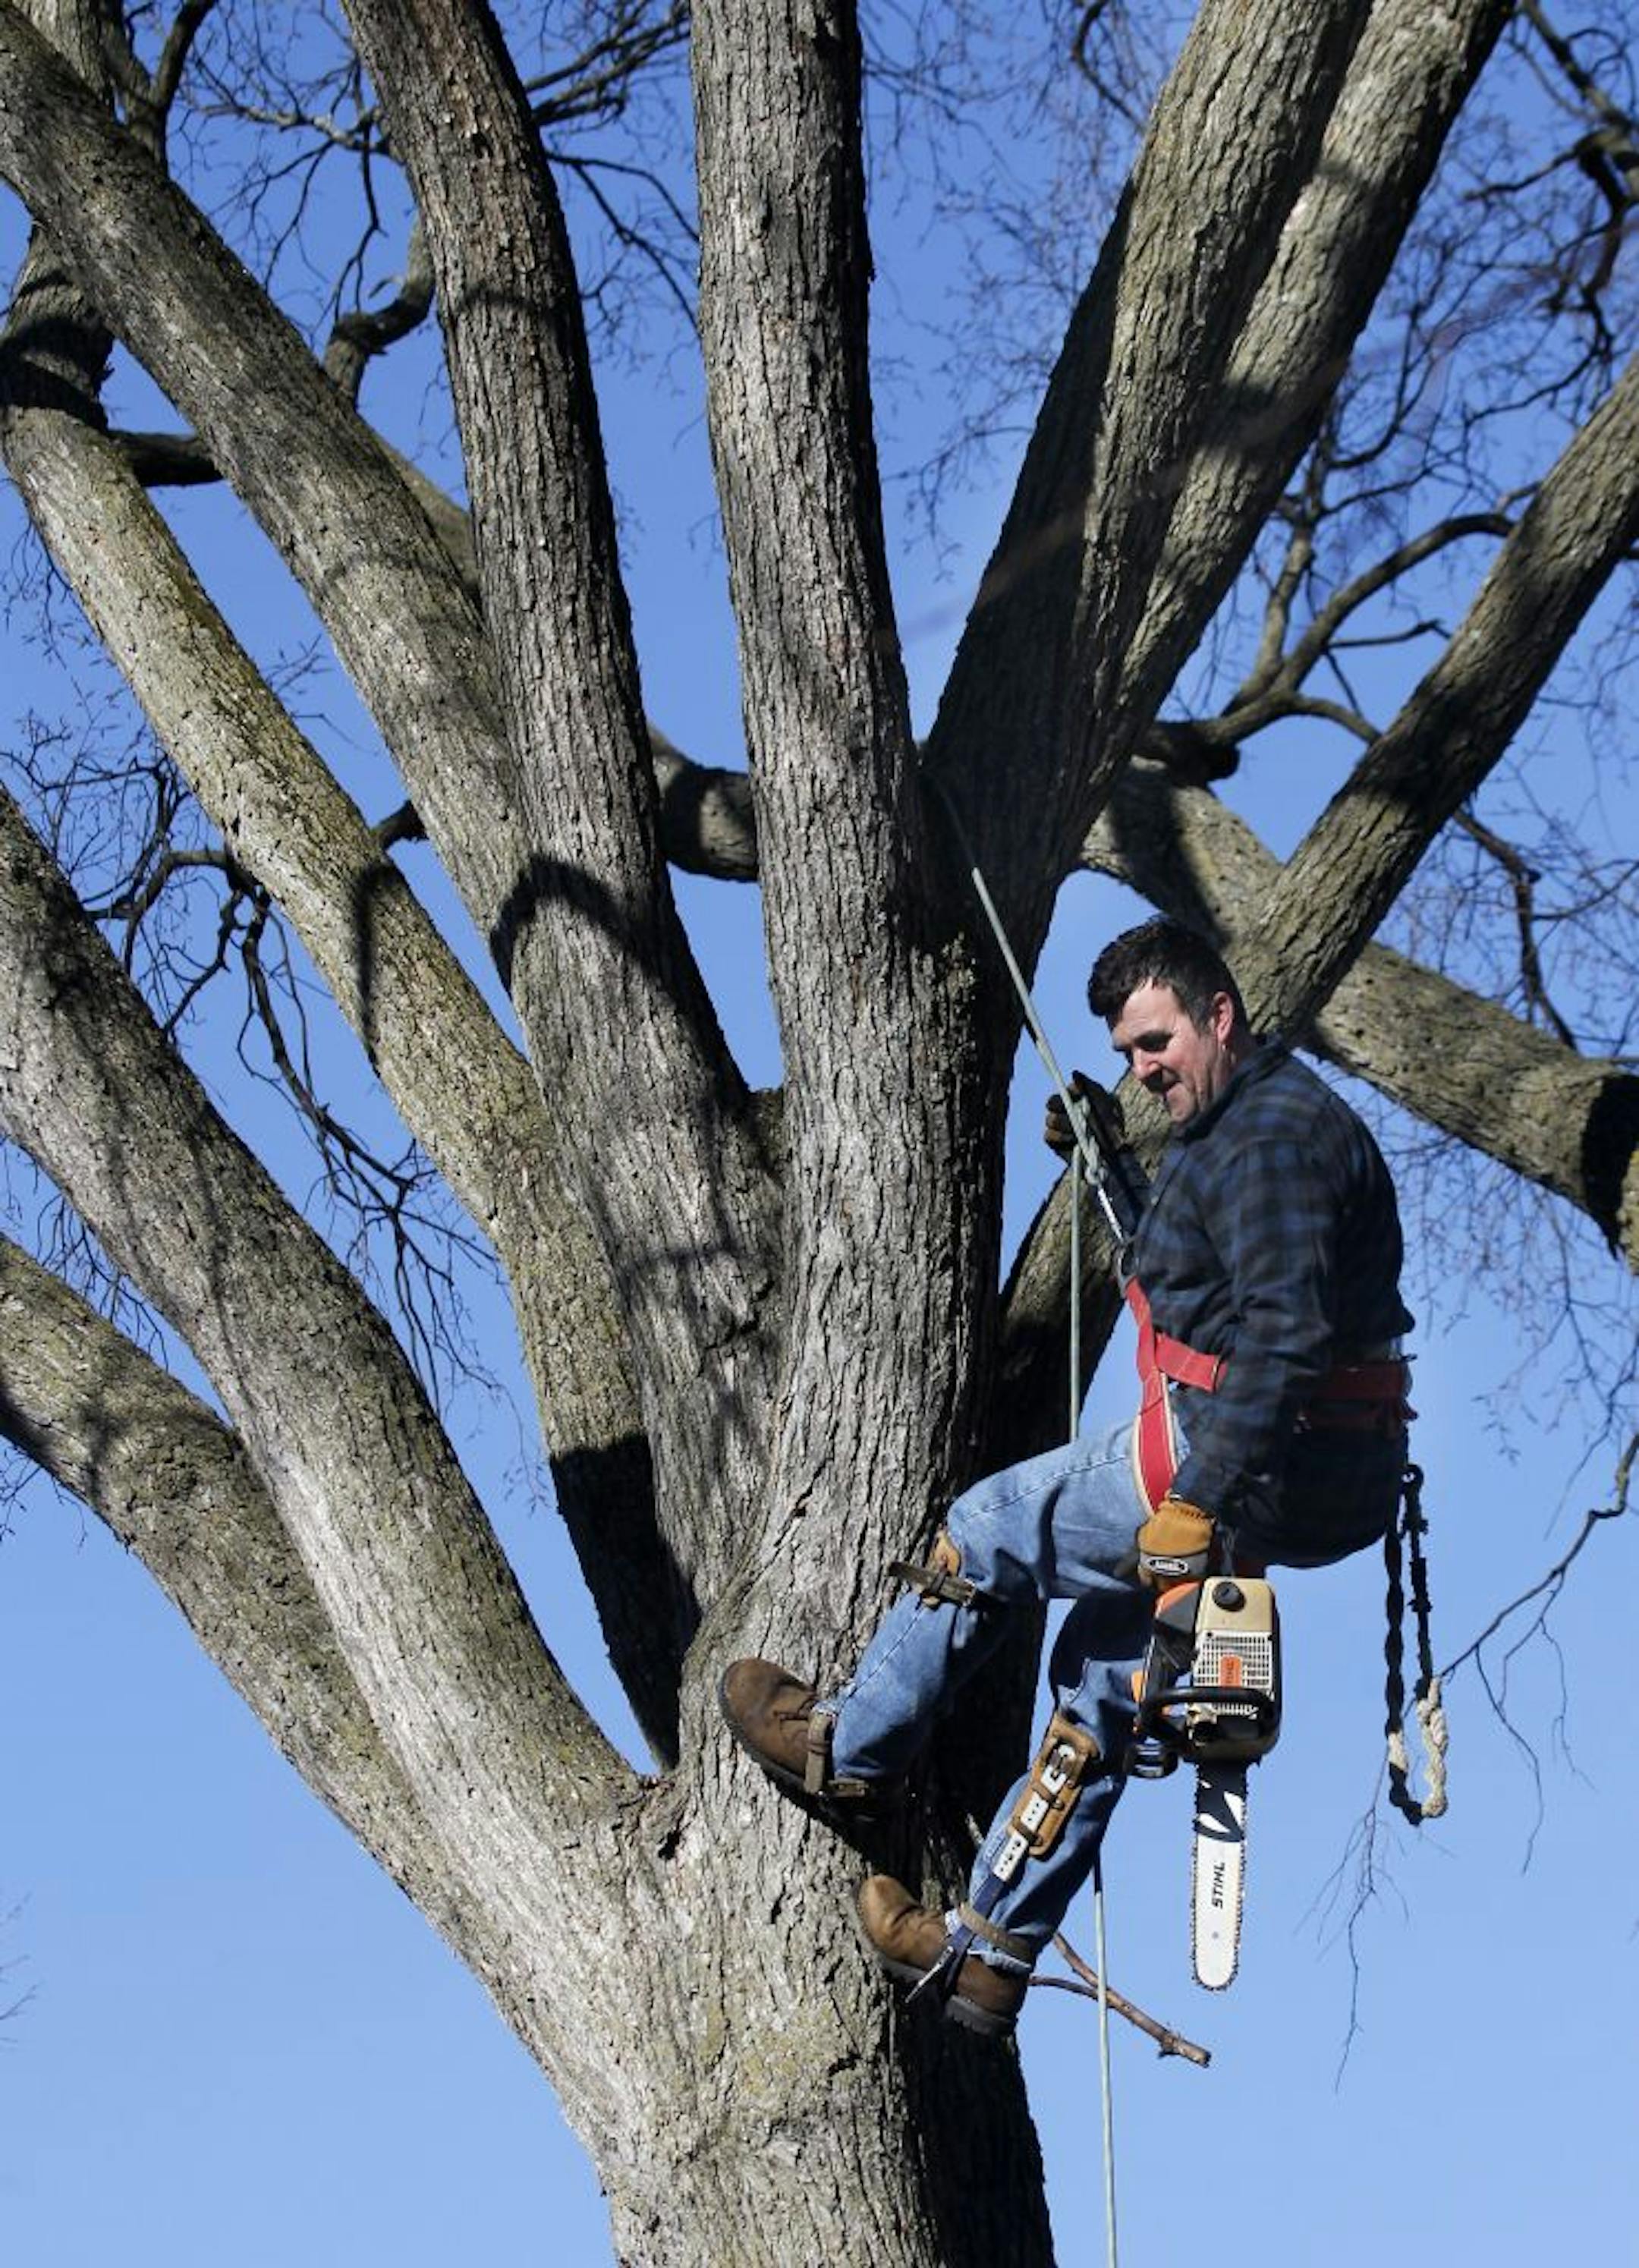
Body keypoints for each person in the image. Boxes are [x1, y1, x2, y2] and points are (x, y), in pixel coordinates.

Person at [720, 917, 1414, 2035]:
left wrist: (1197, 1498)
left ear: (1219, 1015)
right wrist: (1109, 1160)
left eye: (1156, 1041)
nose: (1145, 1067)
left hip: (1250, 1448)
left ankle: (844, 1749)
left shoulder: (1278, 1138)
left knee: (987, 1522)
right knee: (1097, 1673)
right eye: (1131, 1052)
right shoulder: (1241, 1125)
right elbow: (1199, 1285)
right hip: (1294, 1454)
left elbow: (1281, 1338)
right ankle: (987, 1952)